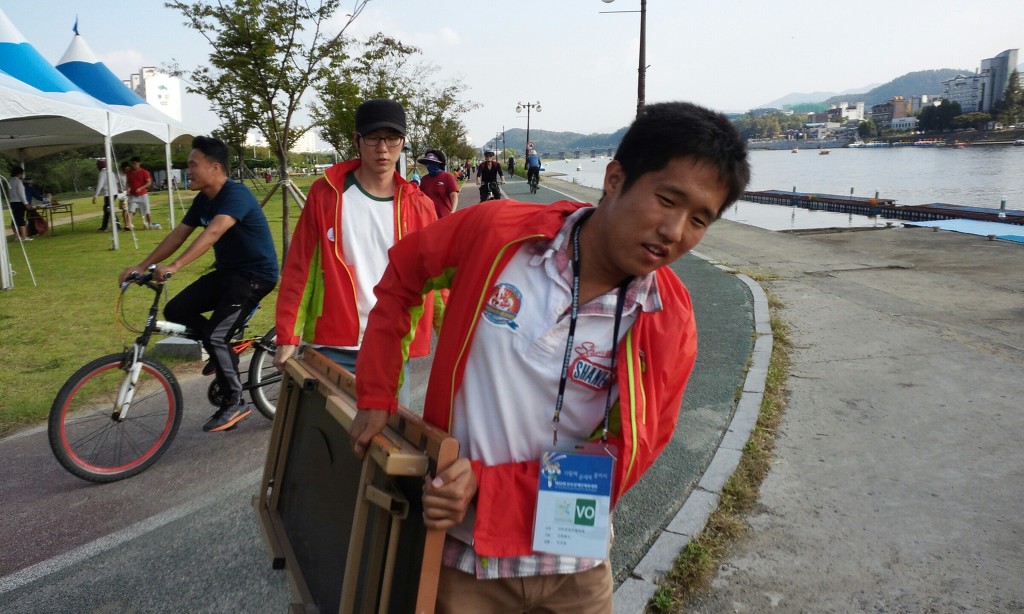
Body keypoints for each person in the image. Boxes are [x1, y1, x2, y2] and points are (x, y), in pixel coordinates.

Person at [349, 101, 750, 613]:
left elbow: (626, 455)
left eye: (698, 220)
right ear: (614, 179)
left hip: (576, 572)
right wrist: (377, 393)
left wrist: (487, 487)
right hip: (462, 562)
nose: (675, 231)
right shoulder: (497, 235)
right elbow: (402, 278)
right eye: (667, 200)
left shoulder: (667, 318)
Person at [274, 99, 437, 401]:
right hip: (332, 348)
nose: (383, 148)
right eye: (373, 138)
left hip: (391, 347)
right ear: (357, 140)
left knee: (388, 432)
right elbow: (300, 268)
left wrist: (458, 338)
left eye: (392, 138)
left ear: (403, 142)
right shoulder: (327, 195)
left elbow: (437, 279)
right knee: (329, 430)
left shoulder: (420, 206)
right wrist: (287, 336)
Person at [118, 136, 279, 433]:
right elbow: (178, 235)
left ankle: (235, 402)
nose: (187, 170)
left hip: (255, 276)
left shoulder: (236, 194)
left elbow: (213, 232)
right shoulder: (203, 200)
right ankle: (225, 352)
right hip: (228, 273)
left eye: (193, 164)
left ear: (214, 168)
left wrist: (175, 266)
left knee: (215, 335)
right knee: (176, 310)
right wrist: (142, 266)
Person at [418, 149, 460, 218]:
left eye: (432, 163)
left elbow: (454, 195)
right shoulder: (424, 179)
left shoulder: (448, 177)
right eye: (428, 163)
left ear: (438, 163)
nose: (430, 166)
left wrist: (453, 212)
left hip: (445, 216)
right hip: (429, 217)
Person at [92, 159, 121, 231]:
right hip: (114, 193)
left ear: (99, 166)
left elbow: (100, 184)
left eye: (97, 166)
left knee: (109, 210)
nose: (97, 167)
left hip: (109, 194)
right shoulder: (111, 172)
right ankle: (104, 227)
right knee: (107, 210)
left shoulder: (102, 173)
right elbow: (115, 182)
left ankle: (117, 226)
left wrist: (95, 196)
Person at [125, 156, 153, 230]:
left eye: (134, 164)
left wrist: (141, 188)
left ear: (139, 163)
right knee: (130, 210)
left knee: (147, 211)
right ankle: (128, 225)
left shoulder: (144, 172)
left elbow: (149, 182)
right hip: (132, 195)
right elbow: (128, 182)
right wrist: (127, 190)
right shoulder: (128, 172)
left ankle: (150, 224)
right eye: (132, 164)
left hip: (143, 195)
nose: (133, 165)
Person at [6, 166, 31, 242]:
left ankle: (17, 236)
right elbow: (21, 194)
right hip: (19, 202)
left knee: (14, 219)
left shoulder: (10, 181)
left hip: (12, 202)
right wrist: (26, 203)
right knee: (21, 219)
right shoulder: (18, 182)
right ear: (19, 173)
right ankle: (24, 236)